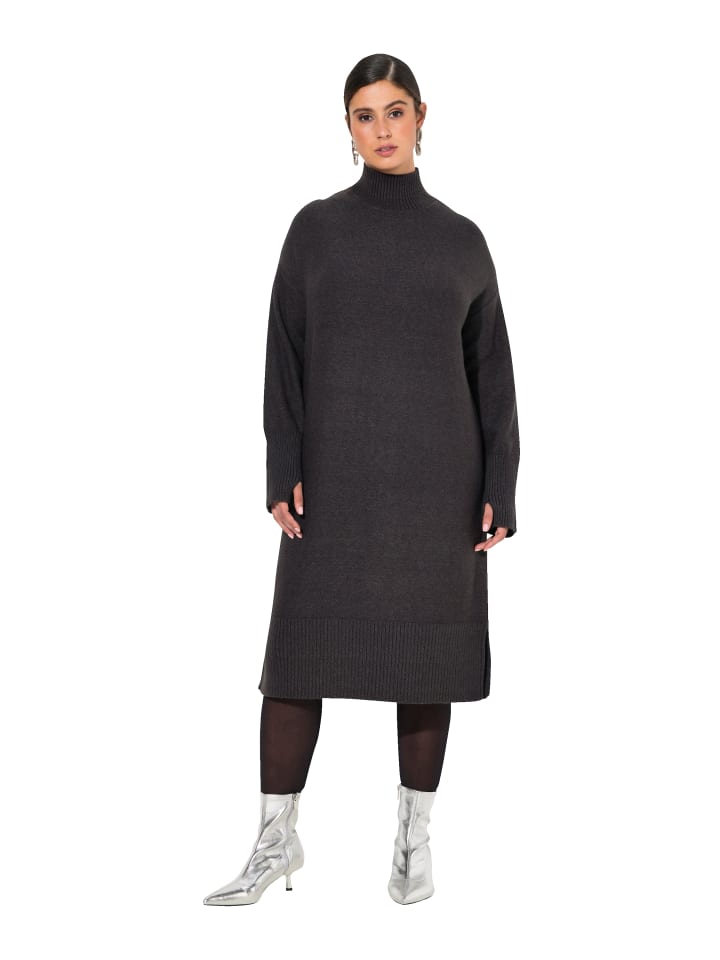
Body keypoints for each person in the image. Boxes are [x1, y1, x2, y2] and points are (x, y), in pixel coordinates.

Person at [204, 52, 520, 907]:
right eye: (364, 115)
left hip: (437, 488)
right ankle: (276, 842)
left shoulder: (462, 240)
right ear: (347, 128)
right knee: (296, 660)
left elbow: (492, 374)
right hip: (334, 485)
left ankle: (413, 844)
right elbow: (284, 353)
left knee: (426, 663)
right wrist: (283, 464)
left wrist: (502, 480)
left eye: (395, 111)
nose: (381, 129)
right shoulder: (316, 229)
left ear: (422, 116)